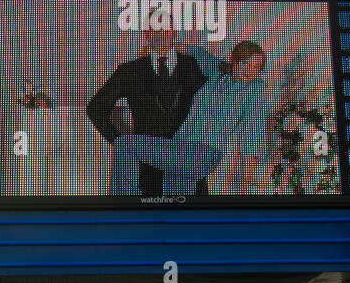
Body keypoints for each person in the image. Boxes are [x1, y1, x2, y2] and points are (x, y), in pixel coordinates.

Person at [108, 41, 267, 196]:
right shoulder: (217, 71)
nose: (250, 71)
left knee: (125, 145)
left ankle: (124, 208)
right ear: (234, 60)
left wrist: (247, 171)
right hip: (180, 146)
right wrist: (155, 49)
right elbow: (193, 51)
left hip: (203, 152)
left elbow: (253, 129)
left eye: (256, 68)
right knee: (176, 207)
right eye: (246, 63)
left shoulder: (255, 89)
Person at [86, 22, 210, 196]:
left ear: (175, 32)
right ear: (146, 34)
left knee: (193, 220)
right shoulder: (129, 70)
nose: (160, 34)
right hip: (146, 170)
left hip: (186, 164)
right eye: (154, 29)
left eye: (166, 28)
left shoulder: (195, 65)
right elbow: (95, 108)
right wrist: (122, 145)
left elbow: (219, 96)